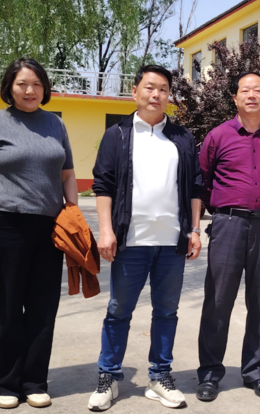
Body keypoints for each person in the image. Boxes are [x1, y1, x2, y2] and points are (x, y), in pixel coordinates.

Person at [88, 64, 203, 411]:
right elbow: (103, 185)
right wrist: (106, 230)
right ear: (135, 91)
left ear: (169, 96)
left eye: (163, 89)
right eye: (150, 87)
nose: (157, 94)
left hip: (171, 243)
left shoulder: (182, 138)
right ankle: (108, 378)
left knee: (166, 312)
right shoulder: (118, 134)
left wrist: (194, 229)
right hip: (131, 242)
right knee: (118, 311)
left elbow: (195, 187)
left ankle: (159, 377)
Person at [0, 57, 78, 409]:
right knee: (8, 308)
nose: (29, 90)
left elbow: (67, 175)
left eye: (36, 84)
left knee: (43, 309)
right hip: (7, 226)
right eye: (22, 84)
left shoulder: (55, 123)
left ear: (45, 88)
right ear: (10, 87)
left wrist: (73, 214)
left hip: (50, 229)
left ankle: (34, 382)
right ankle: (8, 383)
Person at [196, 71, 260, 402]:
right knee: (218, 300)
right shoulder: (218, 136)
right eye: (245, 91)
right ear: (235, 98)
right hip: (228, 225)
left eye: (258, 90)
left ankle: (256, 371)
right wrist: (216, 216)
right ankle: (210, 373)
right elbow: (202, 181)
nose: (252, 95)